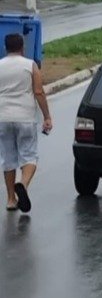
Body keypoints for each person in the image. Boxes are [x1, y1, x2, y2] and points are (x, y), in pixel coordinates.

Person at [0, 32, 51, 214]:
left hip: (3, 118)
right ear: (22, 47)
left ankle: (11, 199)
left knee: (8, 159)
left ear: (5, 47)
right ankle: (22, 184)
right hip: (25, 118)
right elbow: (38, 92)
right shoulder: (30, 65)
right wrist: (46, 116)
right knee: (29, 156)